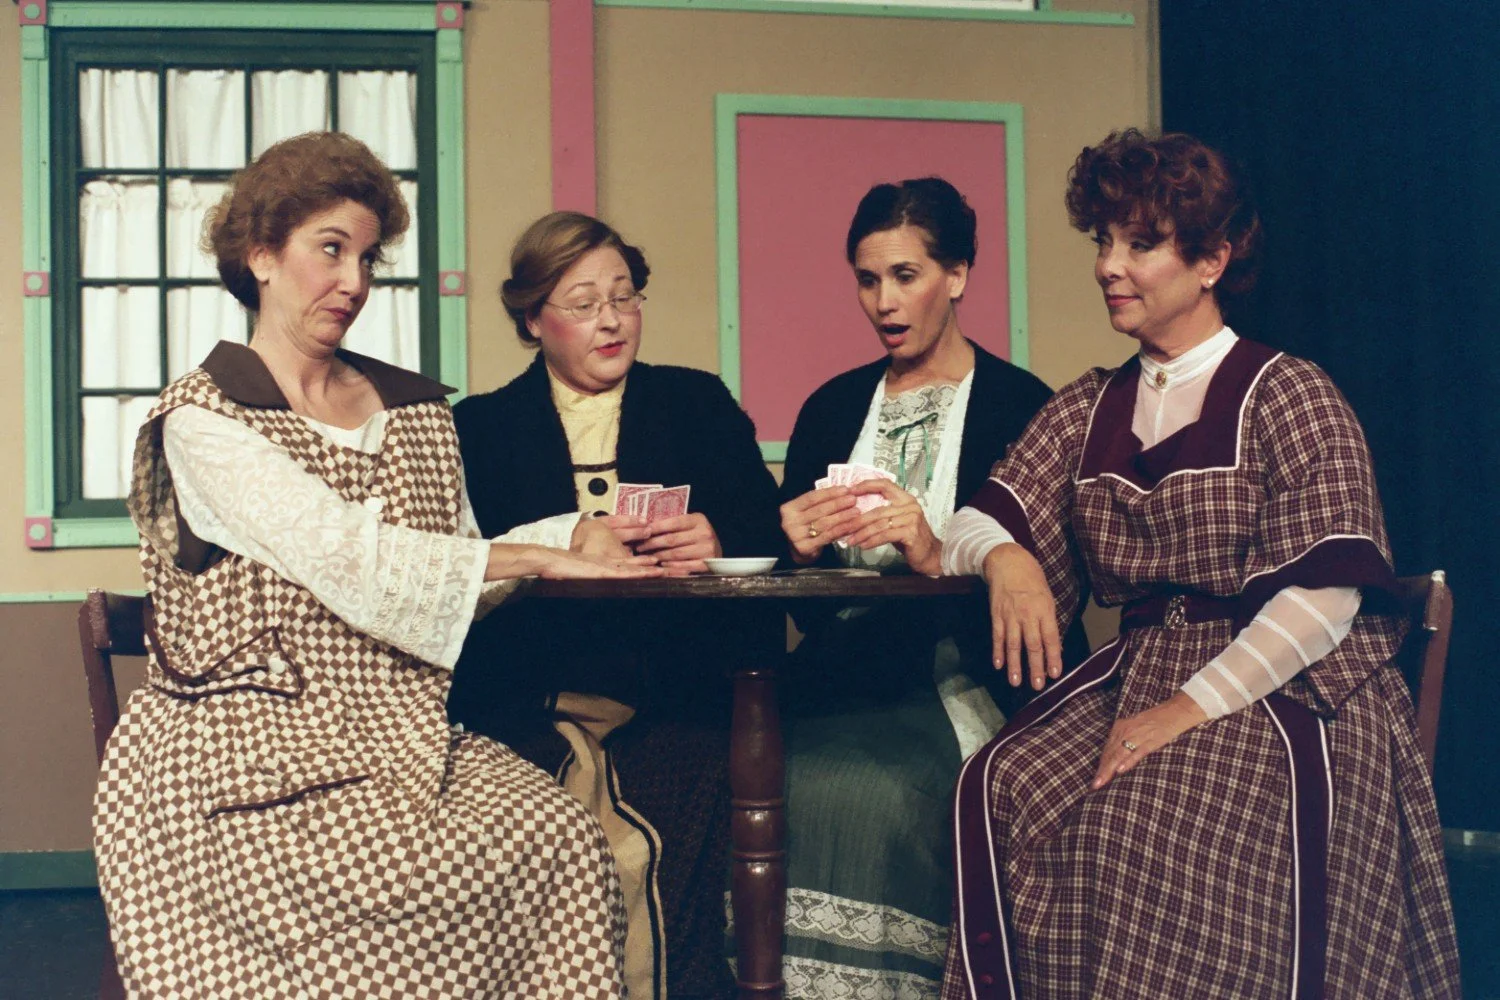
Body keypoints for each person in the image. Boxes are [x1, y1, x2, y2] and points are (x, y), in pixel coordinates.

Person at [94, 132, 658, 999]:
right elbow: (350, 557)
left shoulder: (414, 413)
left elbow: (455, 566)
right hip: (246, 752)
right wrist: (541, 553)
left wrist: (572, 535)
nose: (354, 282)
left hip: (404, 738)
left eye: (367, 257)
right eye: (330, 250)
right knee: (377, 887)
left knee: (564, 841)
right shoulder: (205, 420)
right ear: (261, 256)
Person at [939, 129, 1461, 999]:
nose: (1109, 266)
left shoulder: (1290, 393)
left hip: (1286, 685)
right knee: (1004, 782)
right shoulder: (1090, 405)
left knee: (1138, 821)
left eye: (1140, 244)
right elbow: (970, 521)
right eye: (1103, 240)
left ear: (1212, 260)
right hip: (1139, 672)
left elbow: (1326, 598)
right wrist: (1006, 559)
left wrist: (1186, 708)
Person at [449, 211, 783, 1000]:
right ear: (533, 319)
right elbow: (461, 573)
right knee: (534, 824)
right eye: (583, 302)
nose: (612, 319)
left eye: (624, 296)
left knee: (661, 826)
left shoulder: (695, 402)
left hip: (676, 694)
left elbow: (770, 529)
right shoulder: (481, 428)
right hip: (530, 697)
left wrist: (718, 534)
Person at [772, 178, 1077, 999]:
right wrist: (792, 550)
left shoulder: (1023, 405)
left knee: (880, 795)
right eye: (868, 280)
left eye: (905, 276)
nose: (884, 302)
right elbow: (802, 611)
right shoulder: (832, 407)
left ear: (959, 275)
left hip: (967, 672)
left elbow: (1052, 591)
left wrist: (934, 550)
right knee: (757, 769)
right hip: (841, 676)